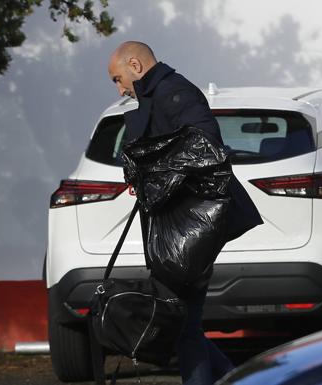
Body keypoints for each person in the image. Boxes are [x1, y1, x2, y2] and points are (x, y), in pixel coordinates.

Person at [107, 41, 263, 385]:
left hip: (192, 230)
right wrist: (143, 173)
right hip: (176, 228)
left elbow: (205, 148)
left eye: (118, 79)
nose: (120, 89)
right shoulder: (157, 95)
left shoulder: (176, 93)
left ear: (136, 65)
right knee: (184, 324)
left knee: (184, 326)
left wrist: (148, 168)